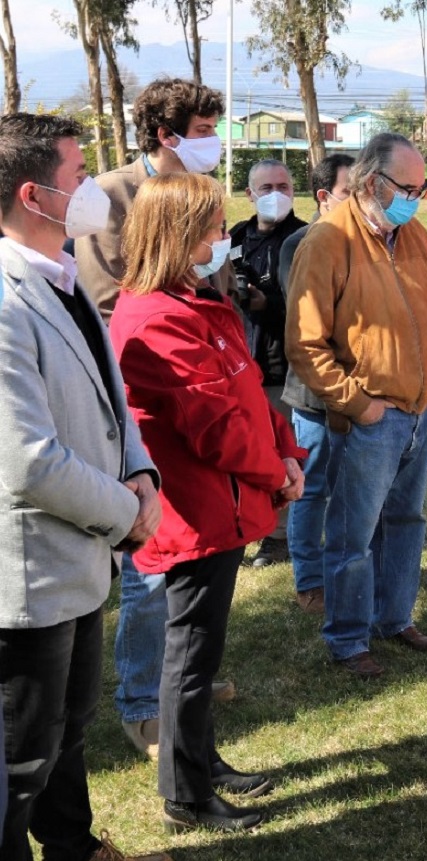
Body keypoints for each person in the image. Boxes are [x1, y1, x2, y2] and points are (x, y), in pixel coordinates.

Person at [108, 172, 306, 834]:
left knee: (202, 652)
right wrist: (275, 473)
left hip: (224, 506)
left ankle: (202, 761)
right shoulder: (156, 316)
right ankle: (184, 796)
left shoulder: (196, 302)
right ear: (180, 235)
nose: (226, 237)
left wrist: (286, 452)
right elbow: (215, 425)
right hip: (196, 514)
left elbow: (248, 391)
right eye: (216, 228)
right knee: (189, 657)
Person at [0, 112, 170, 861]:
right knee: (20, 755)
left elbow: (110, 400)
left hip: (83, 554)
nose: (92, 189)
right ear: (34, 194)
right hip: (33, 572)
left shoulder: (62, 277)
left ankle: (71, 844)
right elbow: (28, 457)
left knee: (69, 728)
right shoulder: (6, 303)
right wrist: (127, 513)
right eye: (78, 175)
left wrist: (141, 470)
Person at [73, 76, 235, 761]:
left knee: (194, 550)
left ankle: (182, 678)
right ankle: (143, 704)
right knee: (151, 561)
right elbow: (112, 311)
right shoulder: (111, 198)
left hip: (202, 379)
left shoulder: (203, 192)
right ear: (166, 135)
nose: (213, 144)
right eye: (203, 132)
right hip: (145, 401)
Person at [286, 134, 427, 679]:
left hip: (420, 407)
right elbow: (306, 343)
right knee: (353, 534)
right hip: (370, 418)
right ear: (371, 183)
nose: (417, 197)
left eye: (422, 187)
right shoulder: (327, 240)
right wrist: (358, 405)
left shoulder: (415, 234)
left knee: (406, 519)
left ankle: (394, 617)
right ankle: (349, 638)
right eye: (408, 187)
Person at [278, 152, 354, 615]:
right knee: (311, 488)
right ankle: (310, 580)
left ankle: (347, 572)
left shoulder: (372, 240)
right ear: (325, 197)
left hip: (363, 392)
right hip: (315, 395)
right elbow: (312, 321)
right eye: (350, 192)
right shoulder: (300, 244)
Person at [230, 158, 307, 568]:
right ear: (250, 194)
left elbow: (311, 305)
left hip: (282, 363)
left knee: (281, 452)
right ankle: (247, 524)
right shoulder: (235, 236)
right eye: (266, 188)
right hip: (240, 361)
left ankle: (279, 536)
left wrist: (268, 304)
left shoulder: (306, 237)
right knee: (242, 449)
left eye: (283, 186)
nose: (275, 194)